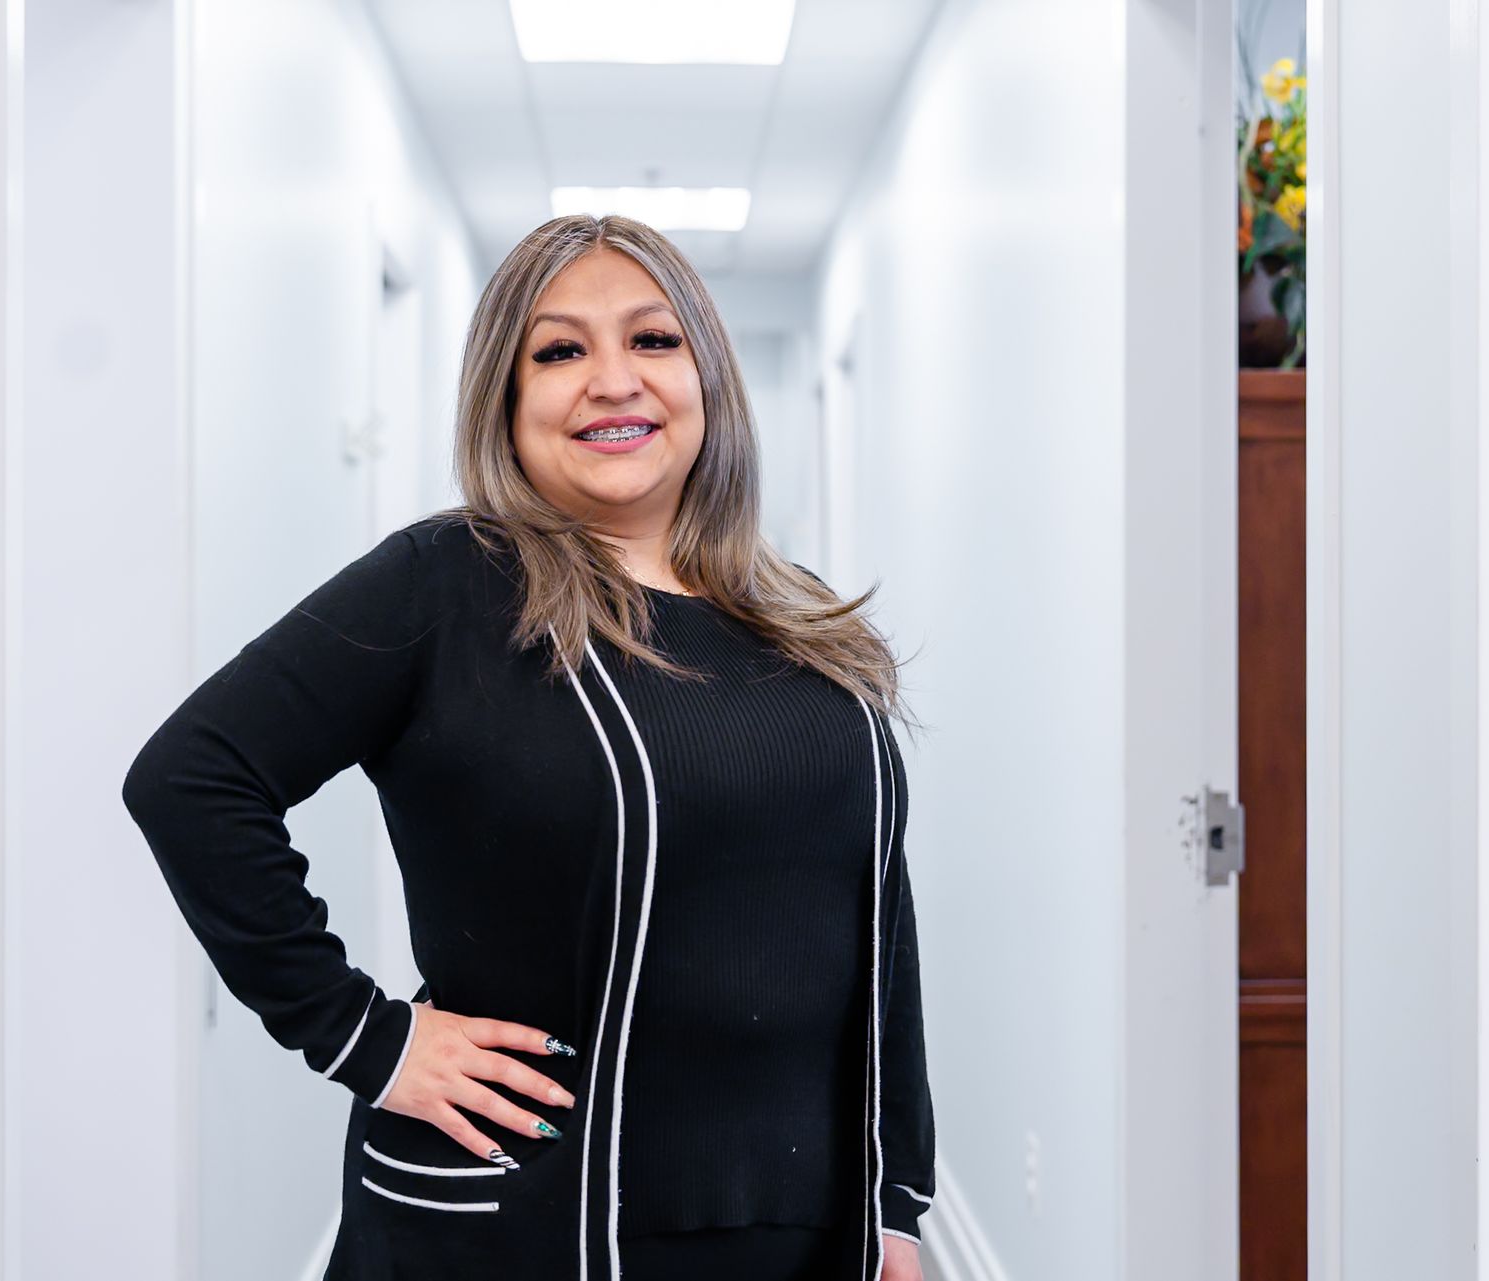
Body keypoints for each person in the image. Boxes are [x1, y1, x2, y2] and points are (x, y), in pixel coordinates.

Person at [121, 213, 936, 1280]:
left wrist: (897, 1204)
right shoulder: (445, 586)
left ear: (709, 378)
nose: (612, 381)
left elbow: (878, 922)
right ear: (505, 403)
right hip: (518, 1227)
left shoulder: (800, 622)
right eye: (559, 351)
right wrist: (363, 1036)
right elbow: (191, 776)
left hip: (794, 1230)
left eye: (653, 340)